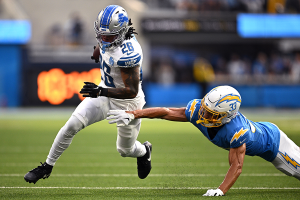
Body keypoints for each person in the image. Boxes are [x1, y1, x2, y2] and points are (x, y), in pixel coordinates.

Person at [24, 5, 152, 184]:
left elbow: (131, 91)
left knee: (125, 150)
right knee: (72, 125)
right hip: (105, 92)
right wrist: (98, 51)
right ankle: (46, 166)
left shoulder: (128, 54)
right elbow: (104, 43)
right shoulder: (108, 37)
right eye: (101, 34)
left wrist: (100, 91)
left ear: (122, 32)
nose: (103, 38)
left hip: (127, 103)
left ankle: (145, 151)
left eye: (108, 36)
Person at [107, 85, 300, 196]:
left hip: (274, 145)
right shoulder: (197, 109)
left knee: (295, 170)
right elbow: (165, 112)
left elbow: (237, 166)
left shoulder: (236, 131)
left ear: (227, 116)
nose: (203, 113)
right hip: (264, 133)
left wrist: (221, 190)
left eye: (211, 113)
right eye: (205, 108)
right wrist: (133, 113)